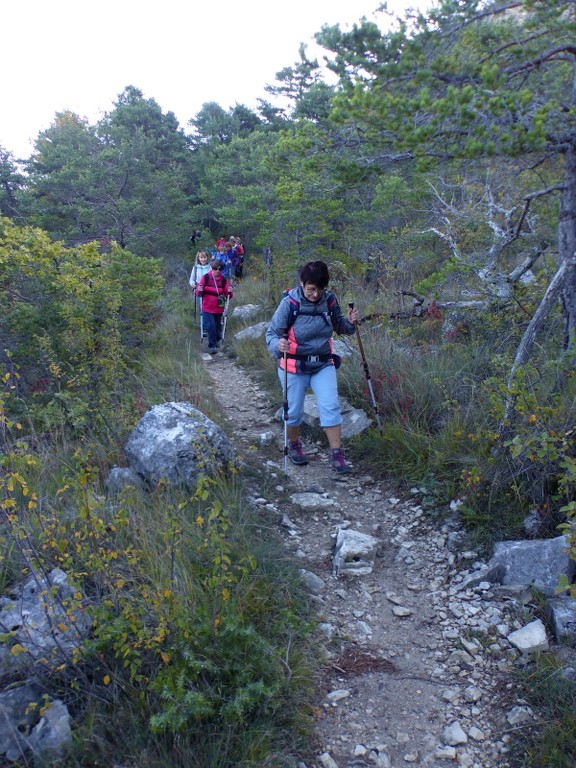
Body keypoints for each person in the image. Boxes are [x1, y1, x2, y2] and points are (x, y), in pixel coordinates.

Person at [266, 260, 359, 474]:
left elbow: (340, 326)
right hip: (293, 366)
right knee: (294, 412)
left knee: (330, 406)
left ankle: (337, 454)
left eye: (320, 289)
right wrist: (278, 345)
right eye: (311, 289)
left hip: (323, 363)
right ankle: (295, 444)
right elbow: (271, 334)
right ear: (302, 283)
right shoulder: (290, 304)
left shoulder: (330, 300)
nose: (315, 294)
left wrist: (351, 323)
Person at [196, 259, 233, 354]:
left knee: (217, 325)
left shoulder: (224, 280)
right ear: (212, 268)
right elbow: (198, 293)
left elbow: (227, 294)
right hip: (207, 307)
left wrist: (230, 291)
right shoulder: (206, 278)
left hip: (218, 307)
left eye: (219, 269)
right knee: (211, 325)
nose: (217, 271)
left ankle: (216, 340)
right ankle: (212, 345)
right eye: (215, 268)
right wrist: (199, 289)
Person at [189, 250, 212, 324]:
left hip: (209, 289)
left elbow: (213, 278)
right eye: (201, 257)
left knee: (209, 307)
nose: (203, 259)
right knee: (202, 308)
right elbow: (191, 280)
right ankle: (204, 325)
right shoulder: (195, 267)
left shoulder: (211, 267)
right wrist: (194, 285)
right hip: (199, 290)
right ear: (198, 258)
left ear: (207, 257)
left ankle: (210, 323)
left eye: (205, 257)